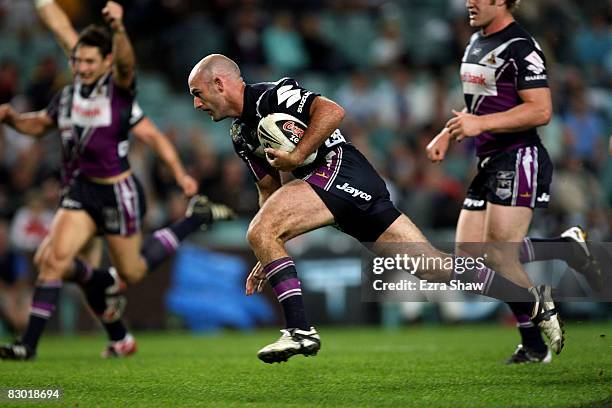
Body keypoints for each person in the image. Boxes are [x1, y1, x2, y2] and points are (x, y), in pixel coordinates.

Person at [187, 54, 563, 364]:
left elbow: (332, 111)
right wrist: (266, 248)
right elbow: (268, 187)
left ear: (220, 84)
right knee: (432, 267)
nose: (196, 104)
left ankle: (300, 331)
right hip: (341, 187)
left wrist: (297, 158)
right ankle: (529, 299)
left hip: (339, 168)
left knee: (260, 229)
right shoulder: (240, 133)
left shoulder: (273, 96)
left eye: (198, 94)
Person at [0, 2, 233, 361]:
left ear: (105, 62)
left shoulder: (118, 93)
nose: (82, 66)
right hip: (80, 191)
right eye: (78, 61)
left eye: (91, 61)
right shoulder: (67, 97)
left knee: (132, 271)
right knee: (52, 259)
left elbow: (144, 111)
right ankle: (27, 345)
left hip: (117, 192)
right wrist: (13, 119)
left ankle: (193, 220)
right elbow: (39, 120)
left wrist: (119, 29)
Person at [425, 0, 600, 364]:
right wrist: (449, 131)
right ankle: (565, 251)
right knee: (470, 258)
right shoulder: (476, 41)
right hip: (489, 160)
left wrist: (479, 126)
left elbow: (541, 110)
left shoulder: (521, 45)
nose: (469, 2)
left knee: (499, 255)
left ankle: (534, 343)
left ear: (502, 1)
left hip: (519, 156)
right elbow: (481, 106)